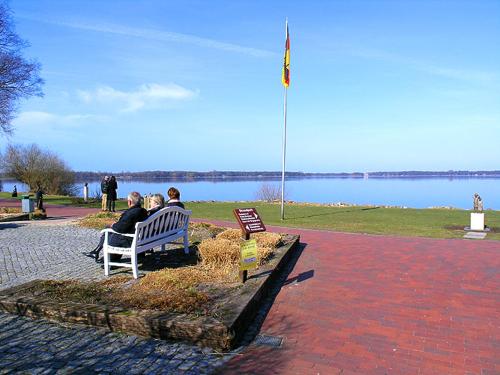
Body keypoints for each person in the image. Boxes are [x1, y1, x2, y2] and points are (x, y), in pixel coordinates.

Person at [84, 191, 148, 263]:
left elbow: (120, 229)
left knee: (108, 229)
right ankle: (97, 252)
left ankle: (102, 254)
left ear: (129, 202)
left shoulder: (131, 213)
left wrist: (113, 225)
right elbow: (126, 225)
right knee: (111, 229)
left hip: (130, 241)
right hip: (141, 239)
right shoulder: (143, 211)